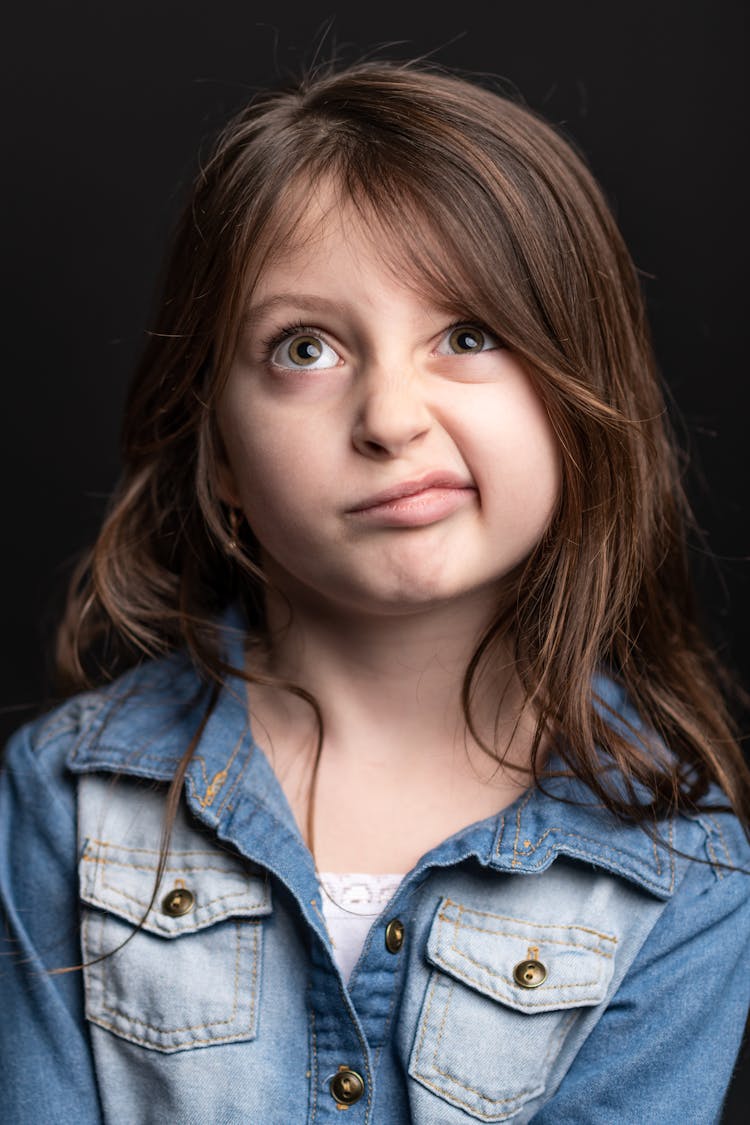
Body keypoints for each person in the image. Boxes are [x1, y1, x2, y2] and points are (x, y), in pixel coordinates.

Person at [1, 57, 749, 1125]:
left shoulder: (680, 866)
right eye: (305, 348)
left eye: (469, 335)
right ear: (216, 451)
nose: (391, 418)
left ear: (580, 403)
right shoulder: (64, 801)